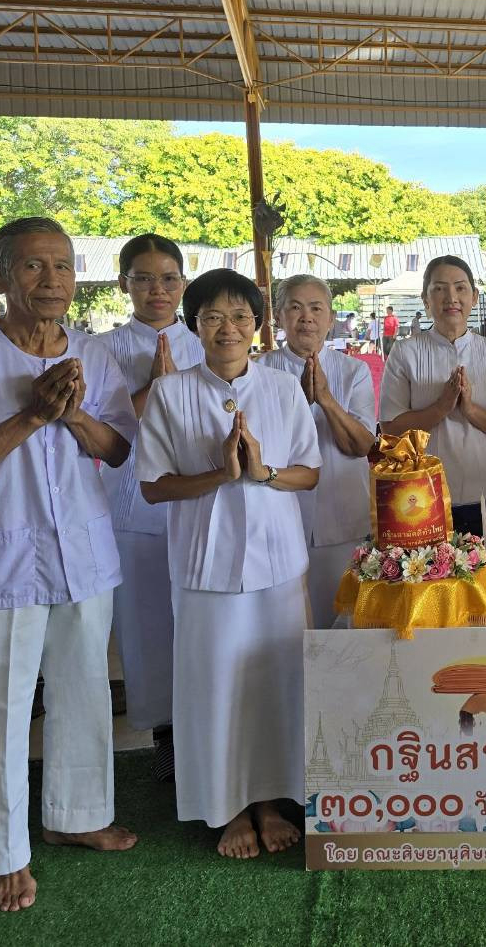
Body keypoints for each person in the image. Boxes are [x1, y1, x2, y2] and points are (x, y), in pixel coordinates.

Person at [0, 217, 138, 912]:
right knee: (3, 706)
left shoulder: (96, 358)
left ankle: (78, 815)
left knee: (83, 690)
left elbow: (119, 448)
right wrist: (32, 418)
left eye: (64, 267)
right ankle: (5, 855)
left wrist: (72, 416)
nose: (52, 281)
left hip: (82, 552)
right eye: (35, 267)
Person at [137, 269, 320, 858]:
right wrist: (221, 474)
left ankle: (271, 799)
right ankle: (230, 806)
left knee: (275, 681)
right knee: (215, 684)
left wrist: (261, 472)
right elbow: (153, 487)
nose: (229, 328)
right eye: (214, 317)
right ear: (194, 325)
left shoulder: (283, 388)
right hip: (205, 568)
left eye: (241, 317)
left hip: (277, 563)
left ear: (257, 325)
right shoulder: (171, 392)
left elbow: (308, 472)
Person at [98, 234, 203, 780]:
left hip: (202, 504)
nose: (157, 290)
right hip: (133, 507)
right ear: (125, 285)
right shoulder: (104, 349)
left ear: (183, 284)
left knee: (202, 622)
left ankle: (207, 731)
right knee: (146, 627)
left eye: (168, 279)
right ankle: (165, 738)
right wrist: (151, 388)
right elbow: (104, 432)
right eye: (144, 278)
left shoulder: (207, 339)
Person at [261, 275, 377, 627]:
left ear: (330, 318)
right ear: (278, 317)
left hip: (340, 517)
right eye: (295, 308)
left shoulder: (353, 371)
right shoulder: (259, 371)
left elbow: (362, 446)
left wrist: (326, 399)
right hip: (276, 520)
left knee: (343, 625)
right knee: (285, 629)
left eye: (316, 308)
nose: (306, 318)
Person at [383, 257, 486, 506]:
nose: (451, 297)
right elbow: (390, 428)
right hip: (423, 494)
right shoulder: (405, 353)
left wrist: (470, 409)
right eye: (439, 289)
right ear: (426, 299)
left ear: (475, 297)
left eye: (460, 287)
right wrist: (440, 408)